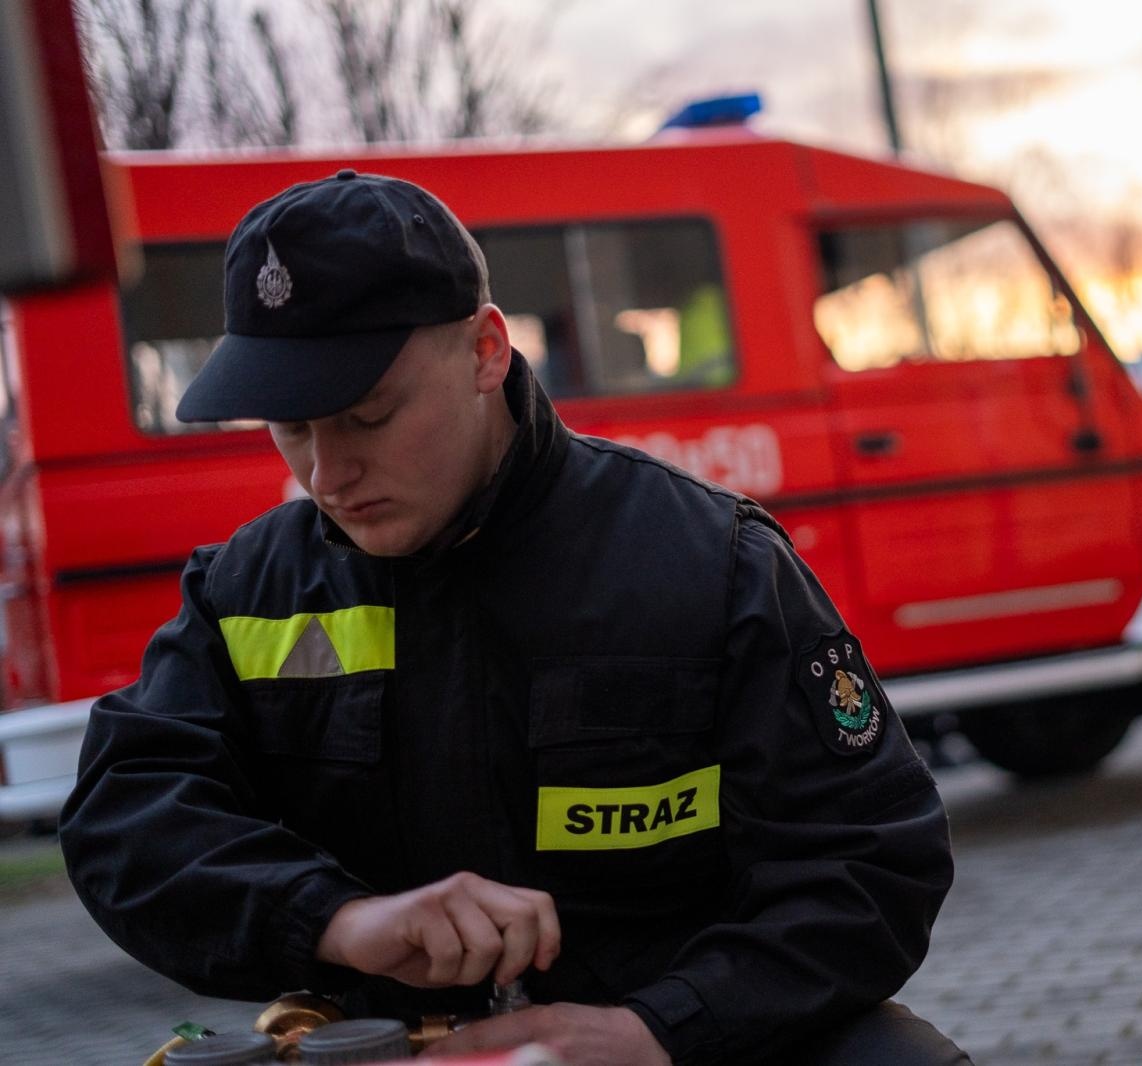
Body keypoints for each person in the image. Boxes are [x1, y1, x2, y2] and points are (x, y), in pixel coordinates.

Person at [59, 170, 967, 1066]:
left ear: (486, 351)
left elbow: (871, 858)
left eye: (367, 416)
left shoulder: (707, 563)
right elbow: (125, 819)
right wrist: (338, 919)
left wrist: (658, 1030)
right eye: (290, 429)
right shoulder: (244, 592)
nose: (327, 476)